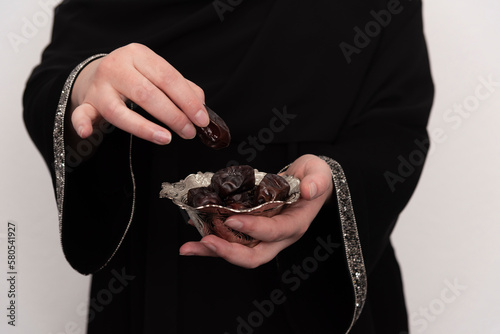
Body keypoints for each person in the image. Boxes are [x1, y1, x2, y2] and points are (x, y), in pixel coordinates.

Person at [23, 0, 434, 333]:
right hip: (154, 270)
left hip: (321, 269)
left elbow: (398, 124)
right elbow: (52, 82)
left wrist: (332, 179)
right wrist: (87, 81)